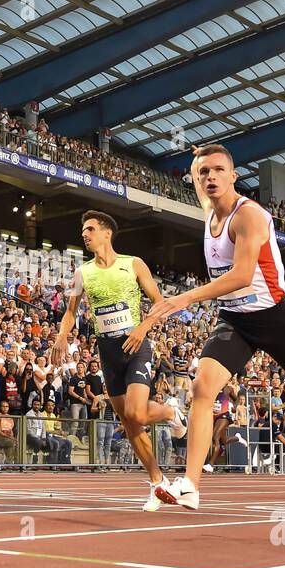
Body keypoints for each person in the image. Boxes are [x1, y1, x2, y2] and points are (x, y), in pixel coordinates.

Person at [144, 145, 285, 510]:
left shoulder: (250, 217)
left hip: (271, 316)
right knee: (202, 386)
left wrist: (185, 298)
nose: (210, 177)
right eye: (203, 173)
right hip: (233, 318)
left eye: (218, 170)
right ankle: (191, 485)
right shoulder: (207, 206)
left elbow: (243, 275)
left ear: (234, 176)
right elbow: (200, 178)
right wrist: (197, 157)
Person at [52, 211, 174, 510]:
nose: (85, 234)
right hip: (107, 352)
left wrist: (143, 327)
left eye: (90, 229)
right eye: (83, 230)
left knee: (137, 415)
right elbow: (71, 311)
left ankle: (171, 413)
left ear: (107, 233)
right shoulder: (83, 273)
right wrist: (61, 336)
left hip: (136, 345)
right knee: (129, 424)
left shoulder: (132, 264)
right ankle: (158, 483)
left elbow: (160, 303)